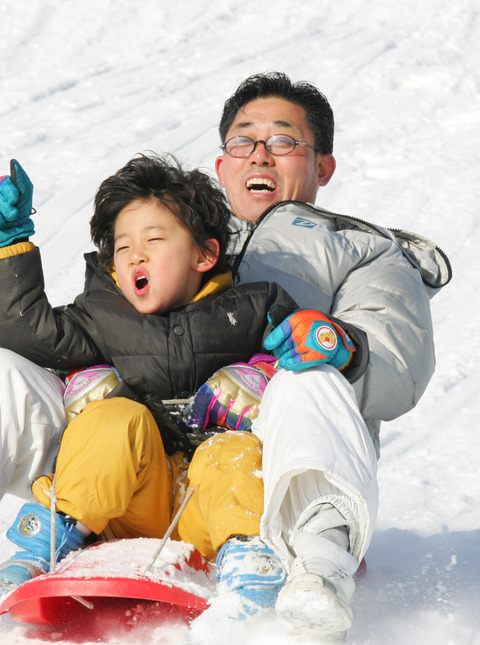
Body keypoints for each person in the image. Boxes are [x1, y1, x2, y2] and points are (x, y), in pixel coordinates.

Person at [0, 152, 313, 604]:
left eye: (154, 239)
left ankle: (249, 560)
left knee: (231, 452)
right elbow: (27, 332)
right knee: (111, 419)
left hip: (212, 510)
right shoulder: (101, 314)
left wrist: (264, 374)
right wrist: (9, 244)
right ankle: (46, 547)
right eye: (122, 246)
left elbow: (310, 355)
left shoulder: (255, 306)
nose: (135, 254)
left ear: (204, 253)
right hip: (125, 503)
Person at [190, 71, 450, 638]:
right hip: (171, 471)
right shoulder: (173, 232)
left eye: (283, 141)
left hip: (282, 481)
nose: (260, 154)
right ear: (222, 165)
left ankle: (318, 570)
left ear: (323, 166)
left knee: (307, 376)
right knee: (2, 374)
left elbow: (398, 367)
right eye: (243, 141)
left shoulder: (369, 253)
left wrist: (341, 347)